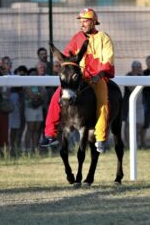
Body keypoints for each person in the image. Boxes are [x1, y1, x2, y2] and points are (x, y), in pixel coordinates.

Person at [40, 8, 115, 153]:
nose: (82, 24)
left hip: (97, 77)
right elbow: (68, 55)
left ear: (93, 22)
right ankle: (50, 135)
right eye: (81, 21)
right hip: (78, 78)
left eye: (85, 21)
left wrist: (99, 75)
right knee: (56, 97)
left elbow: (108, 59)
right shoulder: (76, 38)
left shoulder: (104, 37)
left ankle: (100, 138)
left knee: (103, 102)